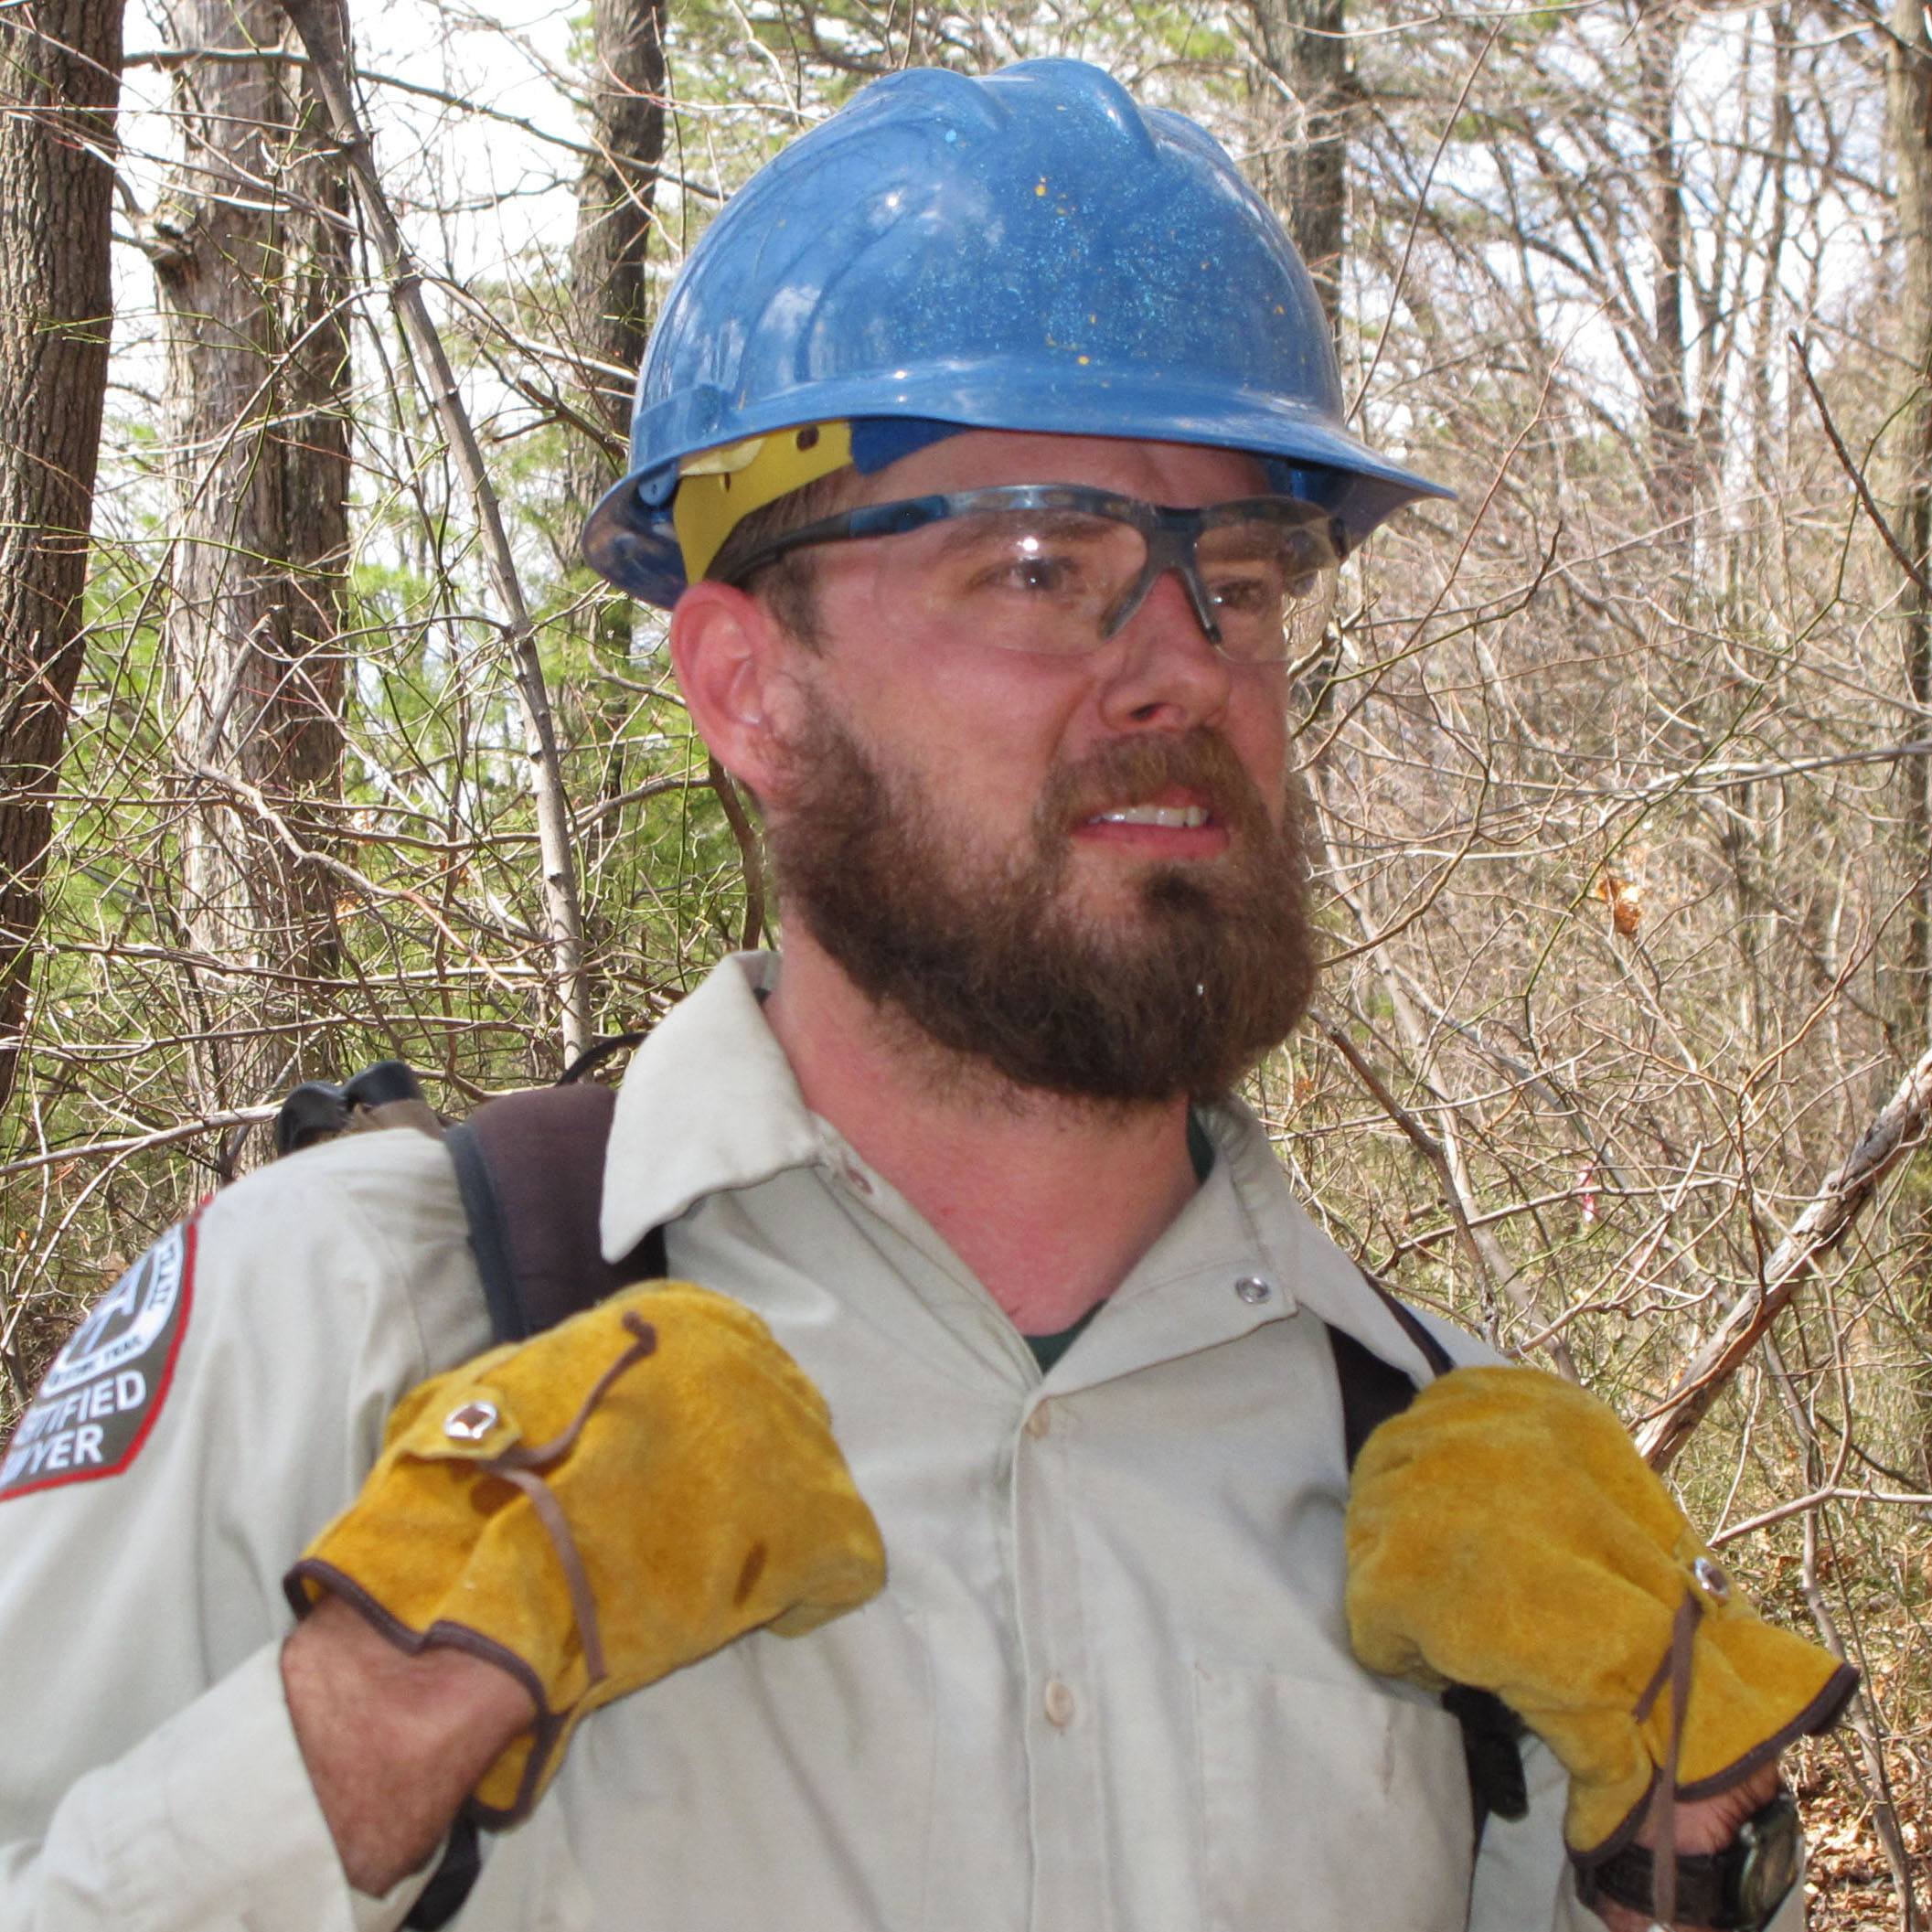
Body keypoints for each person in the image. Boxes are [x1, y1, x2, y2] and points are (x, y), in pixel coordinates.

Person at [0, 57, 1851, 1932]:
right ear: (745, 687)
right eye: (1040, 566)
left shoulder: (1454, 1475)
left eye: (1242, 575)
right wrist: (356, 1733)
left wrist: (1695, 1845)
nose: (1181, 670)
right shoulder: (351, 1320)